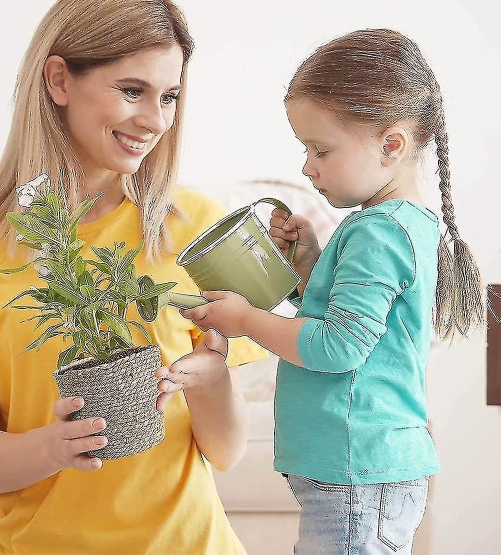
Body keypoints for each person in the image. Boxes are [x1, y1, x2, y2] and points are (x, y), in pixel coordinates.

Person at [0, 0, 265, 555]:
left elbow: (227, 452)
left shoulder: (197, 225)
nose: (156, 120)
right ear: (58, 80)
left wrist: (209, 384)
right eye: (132, 90)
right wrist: (55, 446)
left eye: (170, 95)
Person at [179, 28, 485, 554]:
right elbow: (355, 328)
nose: (306, 166)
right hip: (360, 468)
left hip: (358, 470)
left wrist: (246, 319)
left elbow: (338, 348)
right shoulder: (393, 224)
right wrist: (309, 268)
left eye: (320, 149)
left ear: (391, 145)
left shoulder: (378, 230)